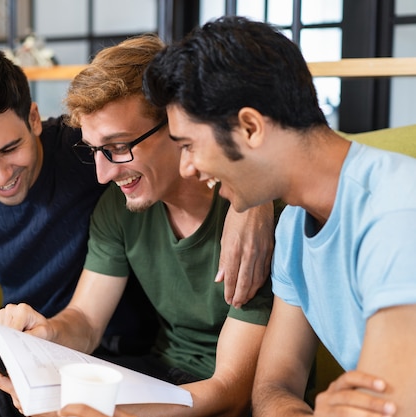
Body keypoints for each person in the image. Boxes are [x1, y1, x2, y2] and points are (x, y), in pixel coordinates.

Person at [0, 45, 272, 417]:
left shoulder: (91, 153)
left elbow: (212, 95)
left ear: (34, 120)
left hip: (112, 345)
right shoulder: (110, 184)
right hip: (34, 328)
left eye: (10, 149)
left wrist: (254, 194)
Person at [143, 15, 416, 416]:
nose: (187, 168)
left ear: (250, 127)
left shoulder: (395, 210)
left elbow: (386, 407)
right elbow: (273, 385)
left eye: (189, 145)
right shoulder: (292, 227)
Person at [0, 34, 275, 417]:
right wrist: (44, 336)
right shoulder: (117, 209)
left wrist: (115, 414)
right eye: (93, 150)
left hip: (222, 396)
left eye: (119, 146)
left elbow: (232, 392)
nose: (104, 174)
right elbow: (87, 323)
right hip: (162, 375)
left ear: (177, 123)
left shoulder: (257, 220)